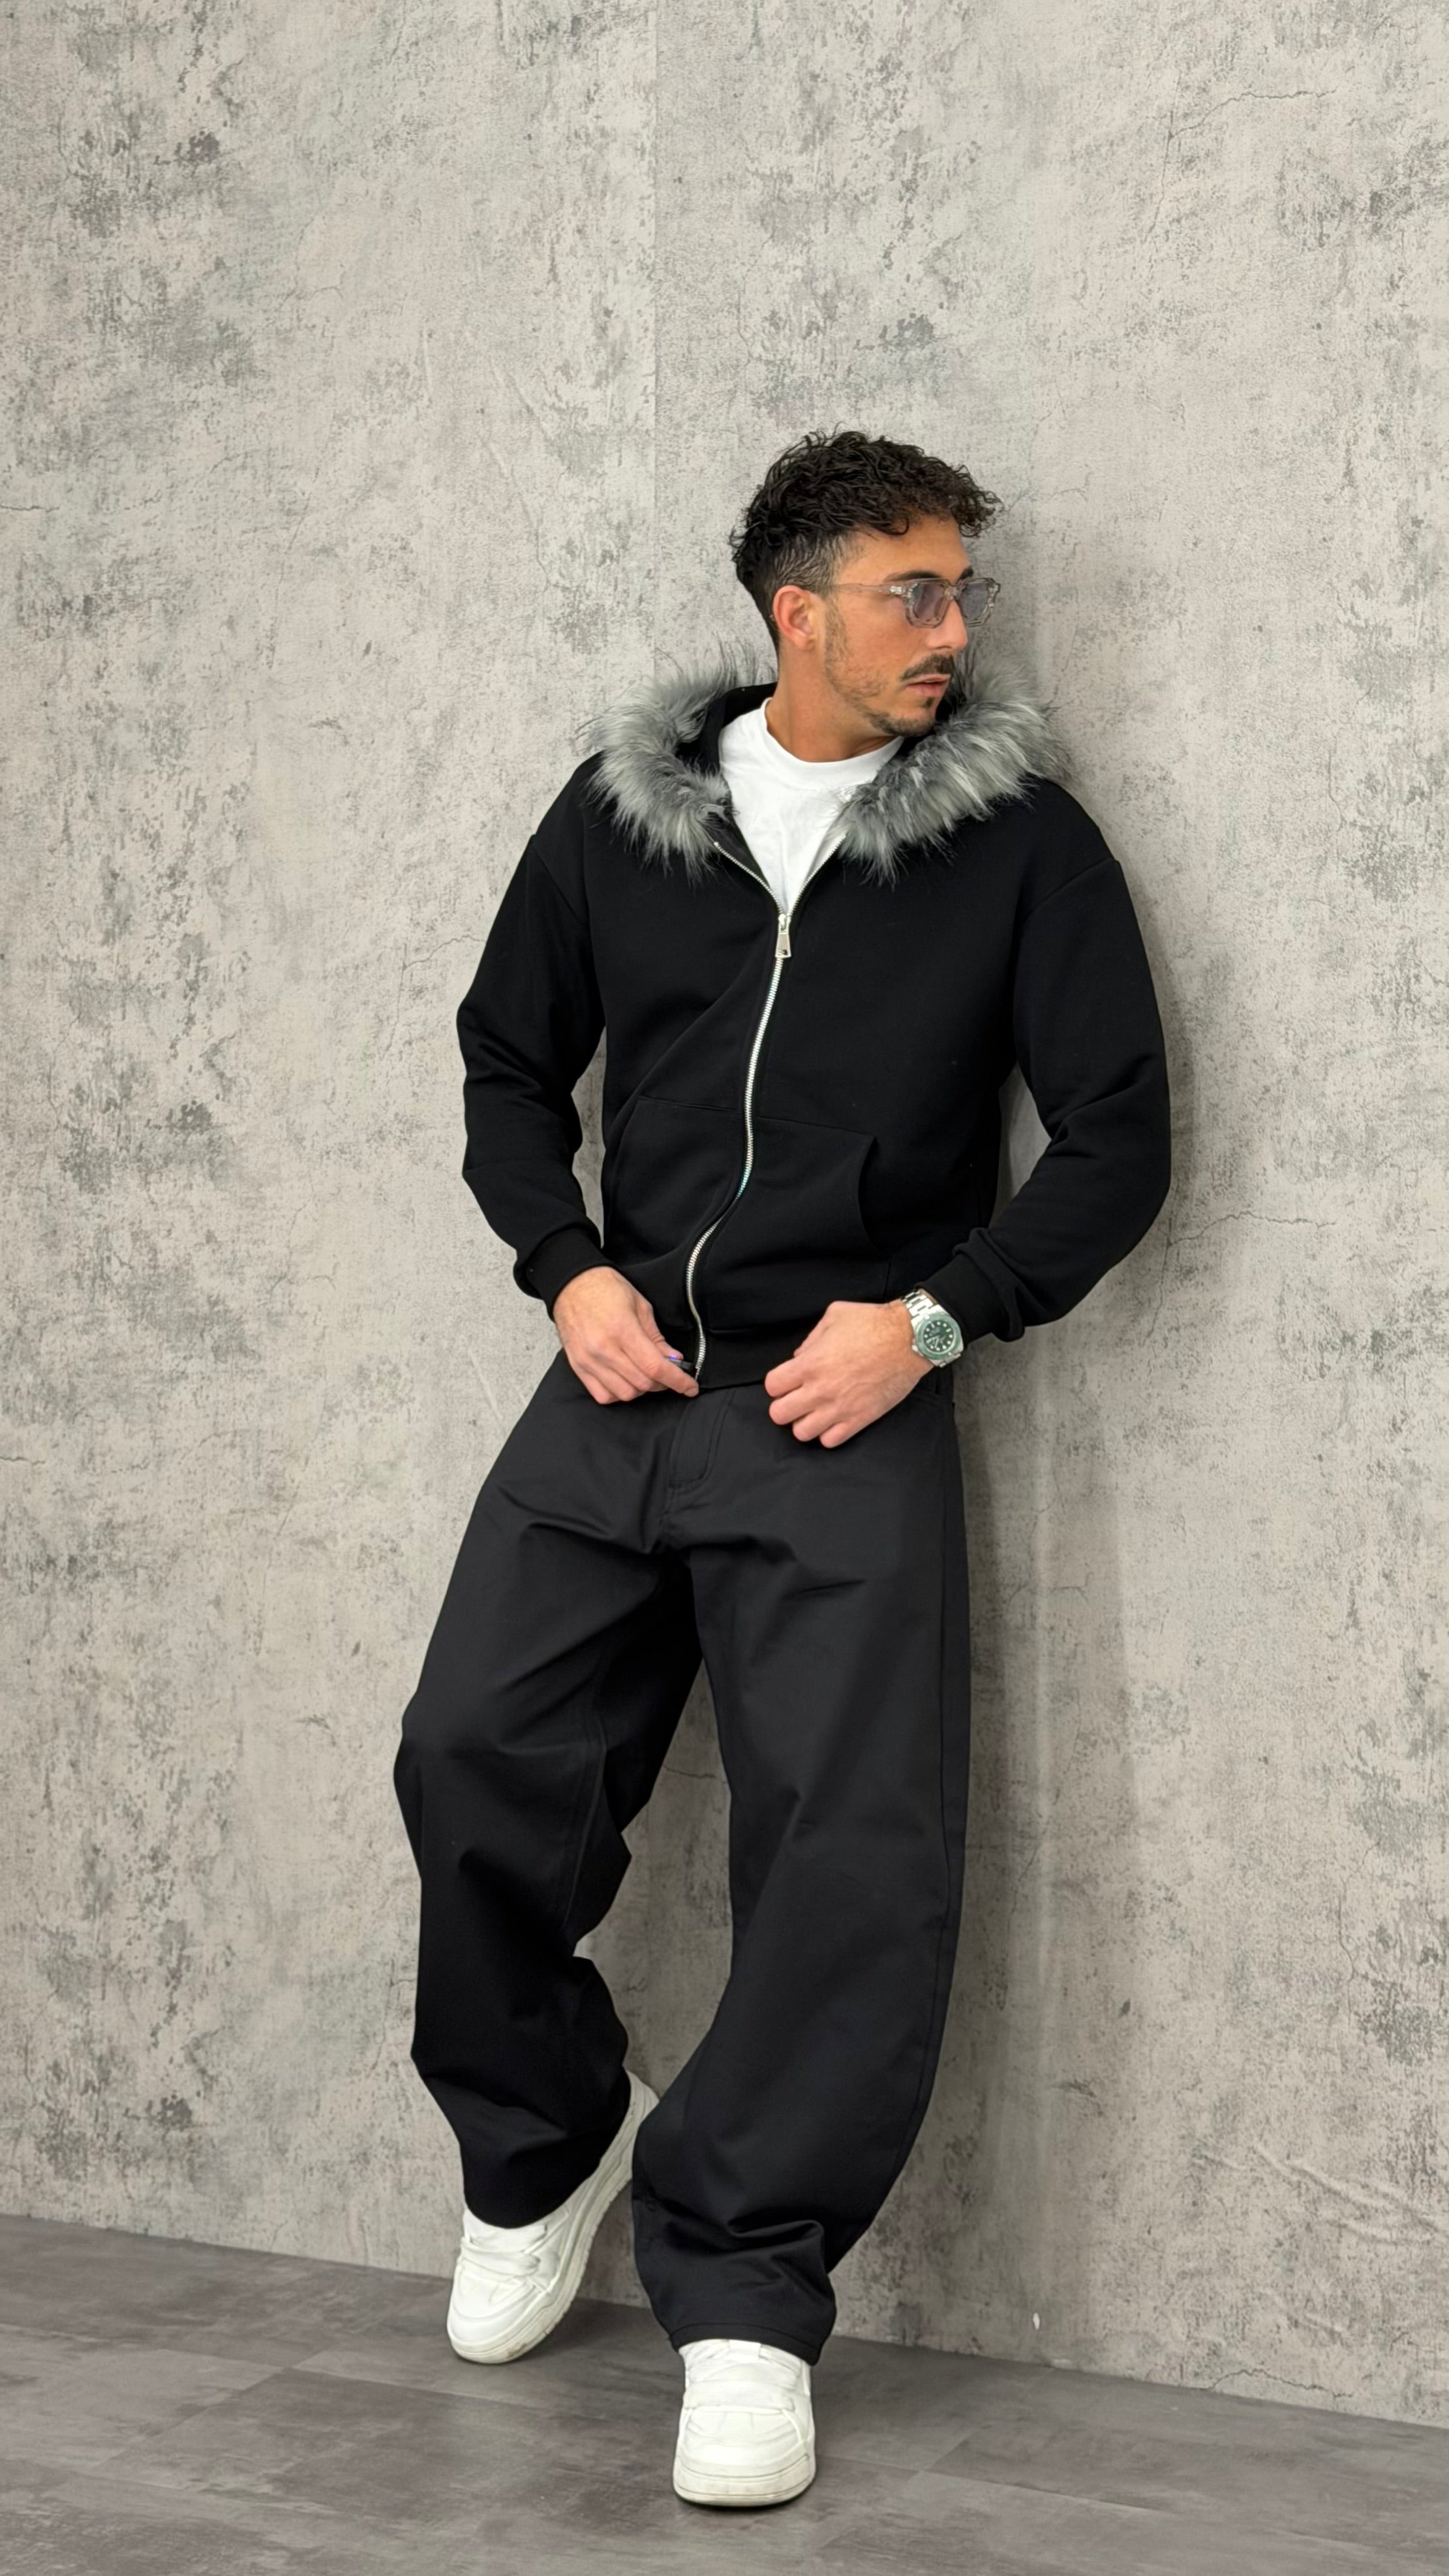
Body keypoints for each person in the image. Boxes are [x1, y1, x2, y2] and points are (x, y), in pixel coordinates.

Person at [392, 427, 1172, 2508]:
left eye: (963, 591)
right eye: (916, 591)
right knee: (471, 1755)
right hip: (623, 1380)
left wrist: (933, 1319)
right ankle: (545, 2132)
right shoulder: (620, 818)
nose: (957, 630)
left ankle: (743, 2290)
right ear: (794, 610)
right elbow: (503, 1060)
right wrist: (565, 1269)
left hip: (845, 1404)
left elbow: (1118, 1137)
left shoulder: (1021, 845)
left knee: (849, 1852)